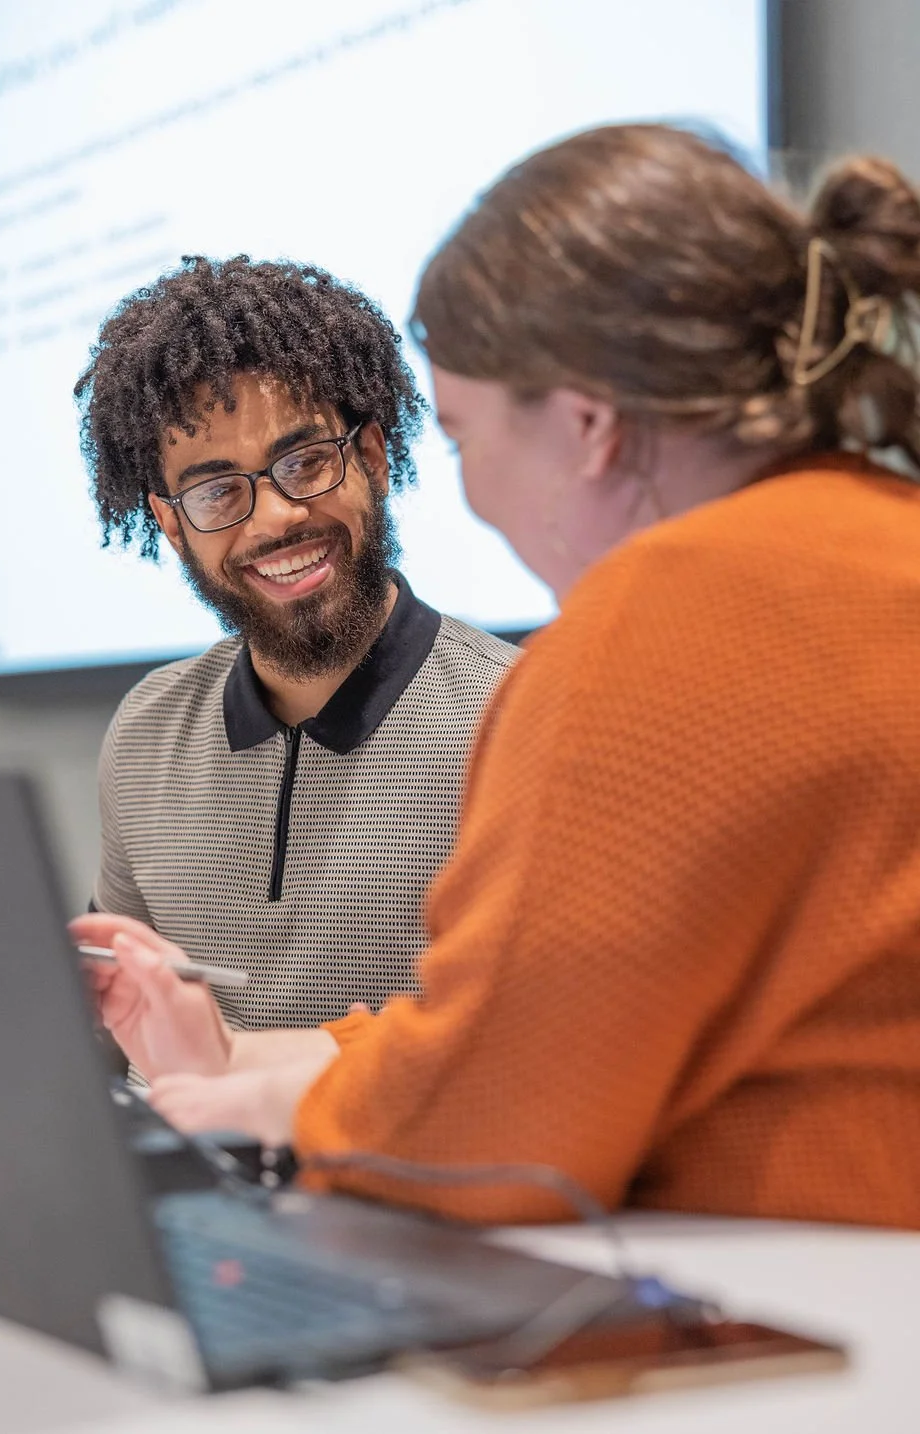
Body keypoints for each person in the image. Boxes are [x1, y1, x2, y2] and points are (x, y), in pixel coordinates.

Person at [75, 125, 920, 1230]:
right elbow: (546, 1016)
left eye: (465, 440)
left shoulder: (653, 631)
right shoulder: (874, 541)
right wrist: (245, 1062)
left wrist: (273, 1106)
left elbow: (502, 1117)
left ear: (586, 427)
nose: (470, 493)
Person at [69, 256, 518, 1039]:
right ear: (172, 527)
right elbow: (111, 1025)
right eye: (216, 491)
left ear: (372, 459)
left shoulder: (516, 719)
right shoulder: (145, 729)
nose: (273, 518)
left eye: (305, 462)